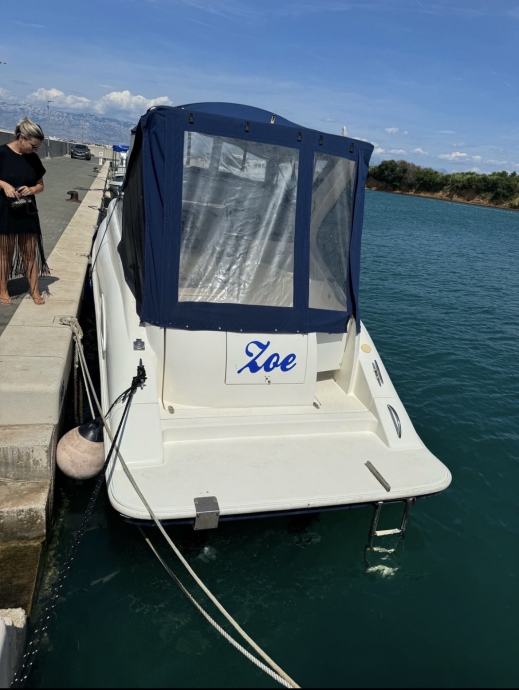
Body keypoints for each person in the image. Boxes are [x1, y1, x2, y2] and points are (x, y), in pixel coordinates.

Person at [0, 117, 49, 305]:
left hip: (27, 210)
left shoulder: (33, 159)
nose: (35, 150)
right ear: (22, 137)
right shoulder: (2, 153)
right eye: (33, 146)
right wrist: (4, 184)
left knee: (30, 253)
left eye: (37, 147)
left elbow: (41, 185)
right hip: (5, 210)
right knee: (5, 253)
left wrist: (32, 189)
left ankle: (35, 290)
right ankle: (3, 289)